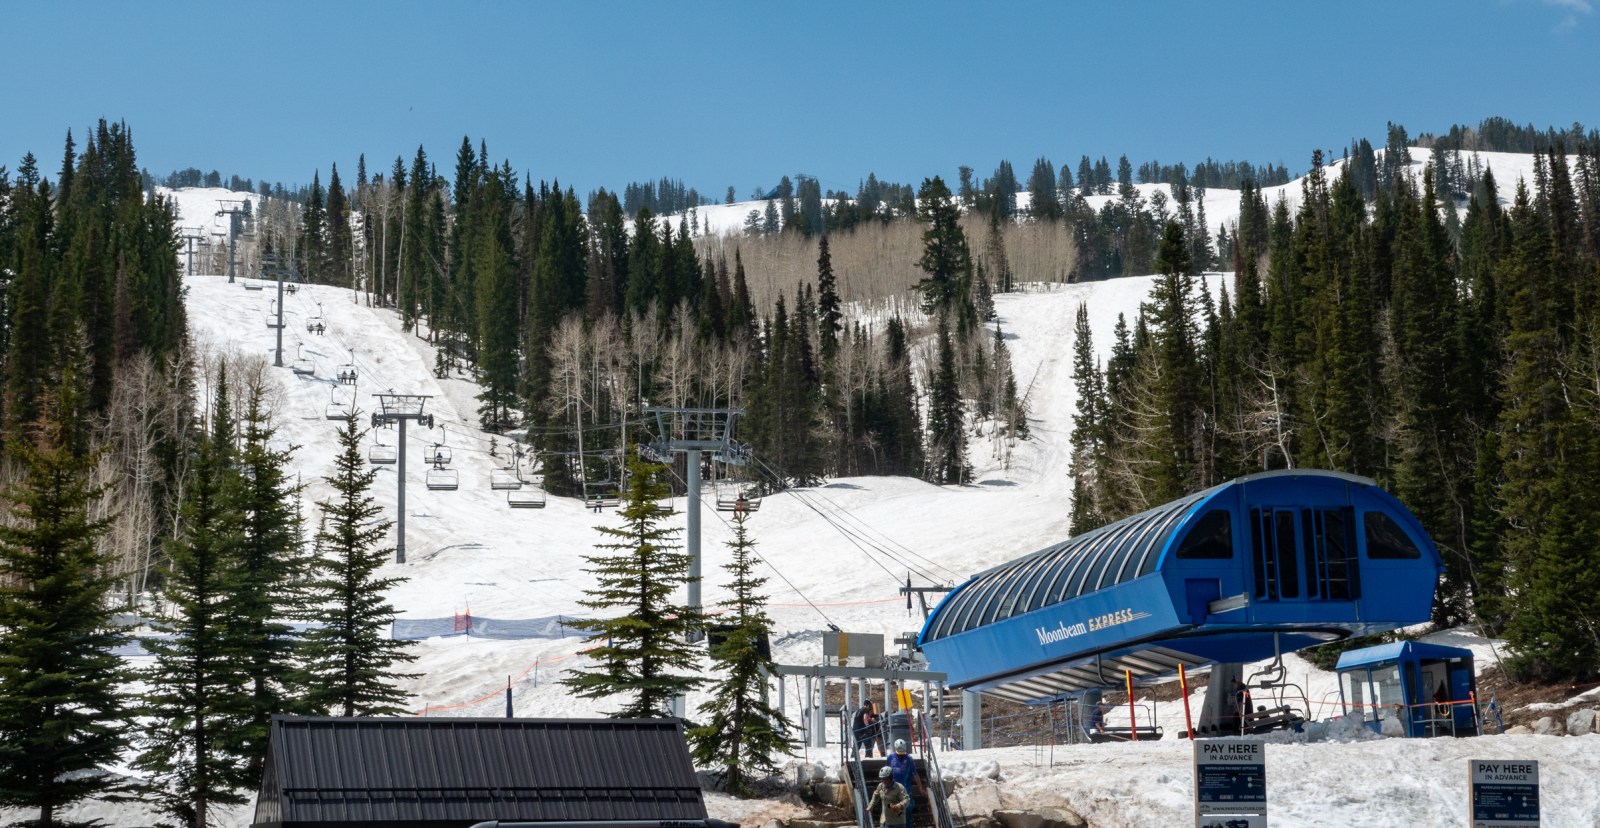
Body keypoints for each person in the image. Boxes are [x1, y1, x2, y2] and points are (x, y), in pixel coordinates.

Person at [886, 738, 923, 823]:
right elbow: (887, 774)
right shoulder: (890, 757)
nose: (901, 755)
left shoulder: (909, 759)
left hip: (906, 792)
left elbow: (915, 774)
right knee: (895, 815)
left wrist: (920, 787)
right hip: (893, 792)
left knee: (907, 814)